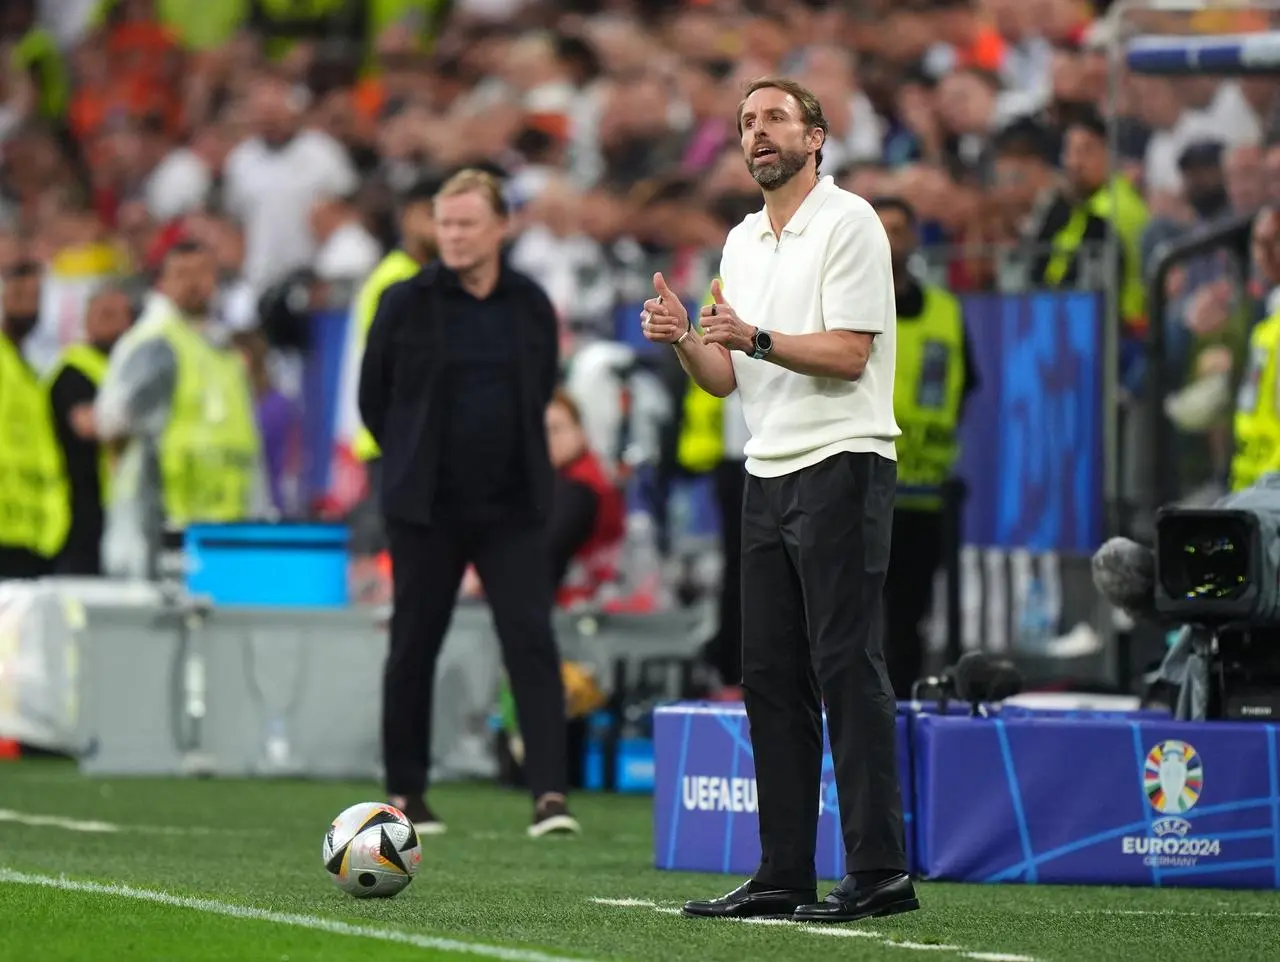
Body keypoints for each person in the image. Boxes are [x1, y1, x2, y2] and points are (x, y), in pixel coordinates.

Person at [642, 77, 917, 923]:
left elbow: (847, 355)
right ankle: (783, 873)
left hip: (843, 459)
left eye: (774, 119)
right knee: (768, 678)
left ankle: (878, 871)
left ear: (818, 137)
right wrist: (688, 337)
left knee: (844, 664)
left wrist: (751, 335)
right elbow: (728, 379)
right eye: (746, 123)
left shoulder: (850, 222)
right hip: (767, 470)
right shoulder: (741, 242)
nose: (757, 134)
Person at [357, 168, 579, 839]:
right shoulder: (404, 302)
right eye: (444, 223)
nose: (451, 236)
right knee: (413, 644)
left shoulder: (531, 304)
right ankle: (408, 791)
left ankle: (549, 795)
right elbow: (374, 399)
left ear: (501, 227)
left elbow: (541, 388)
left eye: (466, 224)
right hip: (426, 507)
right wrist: (408, 460)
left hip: (511, 504)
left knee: (531, 644)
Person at [94, 240, 268, 578]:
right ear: (164, 284)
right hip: (164, 533)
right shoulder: (155, 344)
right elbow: (111, 423)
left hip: (226, 531)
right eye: (182, 274)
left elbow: (249, 447)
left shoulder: (226, 355)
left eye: (202, 273)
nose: (193, 284)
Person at [872, 196, 979, 699]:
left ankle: (903, 715)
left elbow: (966, 388)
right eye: (883, 229)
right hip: (861, 491)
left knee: (909, 620)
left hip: (922, 493)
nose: (893, 240)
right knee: (855, 616)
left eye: (900, 229)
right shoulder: (843, 302)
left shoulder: (945, 313)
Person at [45, 283, 135, 575]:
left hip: (121, 509)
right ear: (86, 320)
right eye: (103, 314)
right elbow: (87, 424)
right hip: (82, 511)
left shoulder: (124, 369)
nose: (112, 323)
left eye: (119, 315)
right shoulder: (74, 370)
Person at [0, 260, 67, 580]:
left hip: (29, 533)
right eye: (17, 295)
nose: (27, 306)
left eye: (34, 298)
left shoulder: (32, 370)